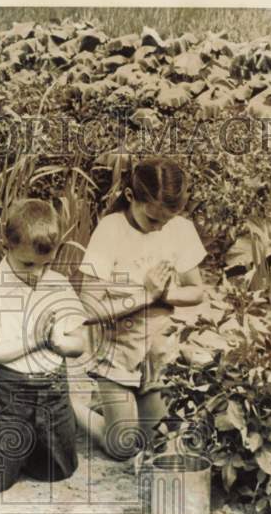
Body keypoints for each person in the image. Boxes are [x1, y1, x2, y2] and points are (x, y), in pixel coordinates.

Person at [73, 157, 207, 462]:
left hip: (157, 352)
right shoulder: (111, 230)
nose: (159, 227)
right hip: (117, 352)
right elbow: (88, 308)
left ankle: (108, 405)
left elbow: (196, 290)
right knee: (123, 447)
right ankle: (67, 406)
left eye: (166, 221)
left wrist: (165, 293)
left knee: (158, 445)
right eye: (152, 220)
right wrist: (144, 295)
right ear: (131, 197)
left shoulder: (180, 229)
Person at [0, 199, 86, 492]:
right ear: (7, 245)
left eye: (46, 264)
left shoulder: (58, 284)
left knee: (59, 472)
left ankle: (21, 452)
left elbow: (79, 343)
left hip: (55, 391)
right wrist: (34, 341)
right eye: (28, 263)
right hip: (14, 393)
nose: (37, 274)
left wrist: (60, 343)